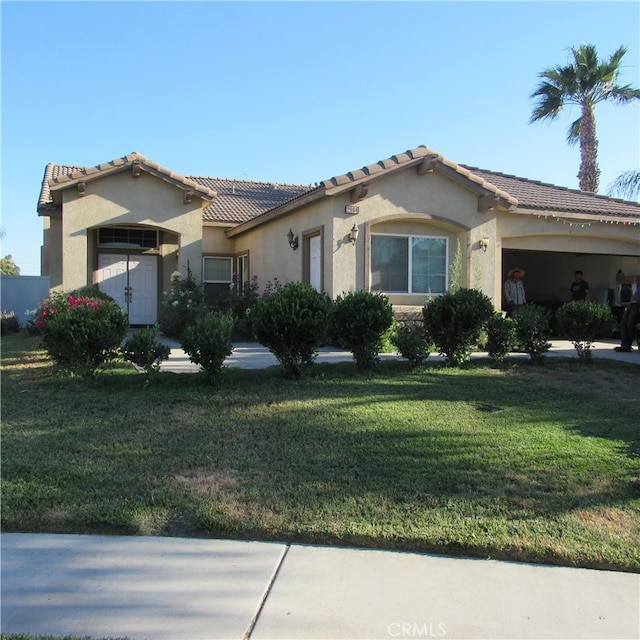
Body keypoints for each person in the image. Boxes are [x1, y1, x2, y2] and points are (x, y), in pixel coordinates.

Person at [614, 284, 640, 352]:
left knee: (630, 324)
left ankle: (627, 346)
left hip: (638, 305)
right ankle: (624, 345)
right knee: (623, 323)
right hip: (632, 304)